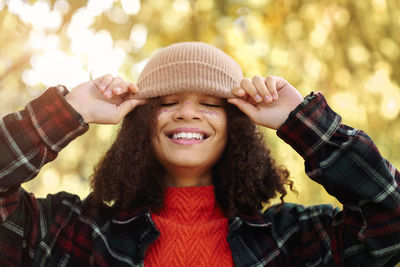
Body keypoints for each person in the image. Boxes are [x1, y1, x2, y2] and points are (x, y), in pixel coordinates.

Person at [0, 42, 399, 267]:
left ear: (237, 124)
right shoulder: (74, 233)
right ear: (141, 121)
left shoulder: (294, 240)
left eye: (210, 104)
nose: (187, 112)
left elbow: (390, 218)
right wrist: (70, 111)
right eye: (168, 101)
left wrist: (303, 122)